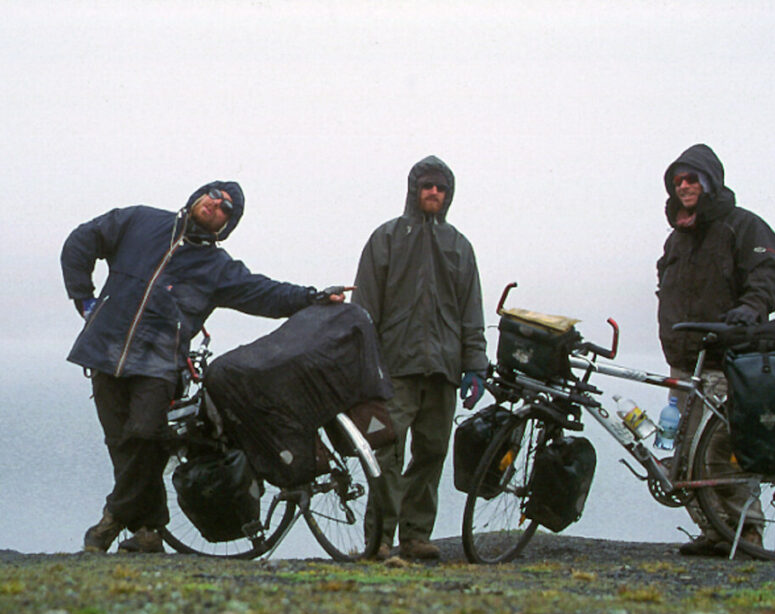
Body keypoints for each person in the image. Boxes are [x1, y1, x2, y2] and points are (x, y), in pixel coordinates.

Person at [62, 181, 346, 553]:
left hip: (159, 364)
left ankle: (111, 519)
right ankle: (147, 531)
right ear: (199, 195)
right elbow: (82, 240)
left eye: (227, 208)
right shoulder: (141, 221)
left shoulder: (217, 268)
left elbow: (265, 292)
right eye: (214, 195)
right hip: (103, 353)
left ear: (227, 226)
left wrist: (312, 297)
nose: (217, 204)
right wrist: (84, 298)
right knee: (121, 445)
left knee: (145, 437)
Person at [352, 156, 489, 561]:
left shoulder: (459, 246)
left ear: (449, 195)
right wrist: (364, 365)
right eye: (427, 185)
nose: (433, 192)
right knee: (386, 454)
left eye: (440, 188)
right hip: (394, 369)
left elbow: (472, 311)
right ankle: (379, 539)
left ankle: (415, 535)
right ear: (414, 190)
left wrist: (475, 365)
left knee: (431, 453)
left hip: (444, 371)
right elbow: (364, 310)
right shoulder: (386, 238)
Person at [655, 144, 775, 557]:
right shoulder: (677, 238)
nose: (683, 186)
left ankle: (747, 534)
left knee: (719, 451)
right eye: (677, 180)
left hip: (726, 359)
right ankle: (715, 532)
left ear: (710, 181)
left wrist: (751, 308)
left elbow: (768, 274)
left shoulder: (743, 226)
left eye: (691, 178)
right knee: (685, 456)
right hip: (685, 363)